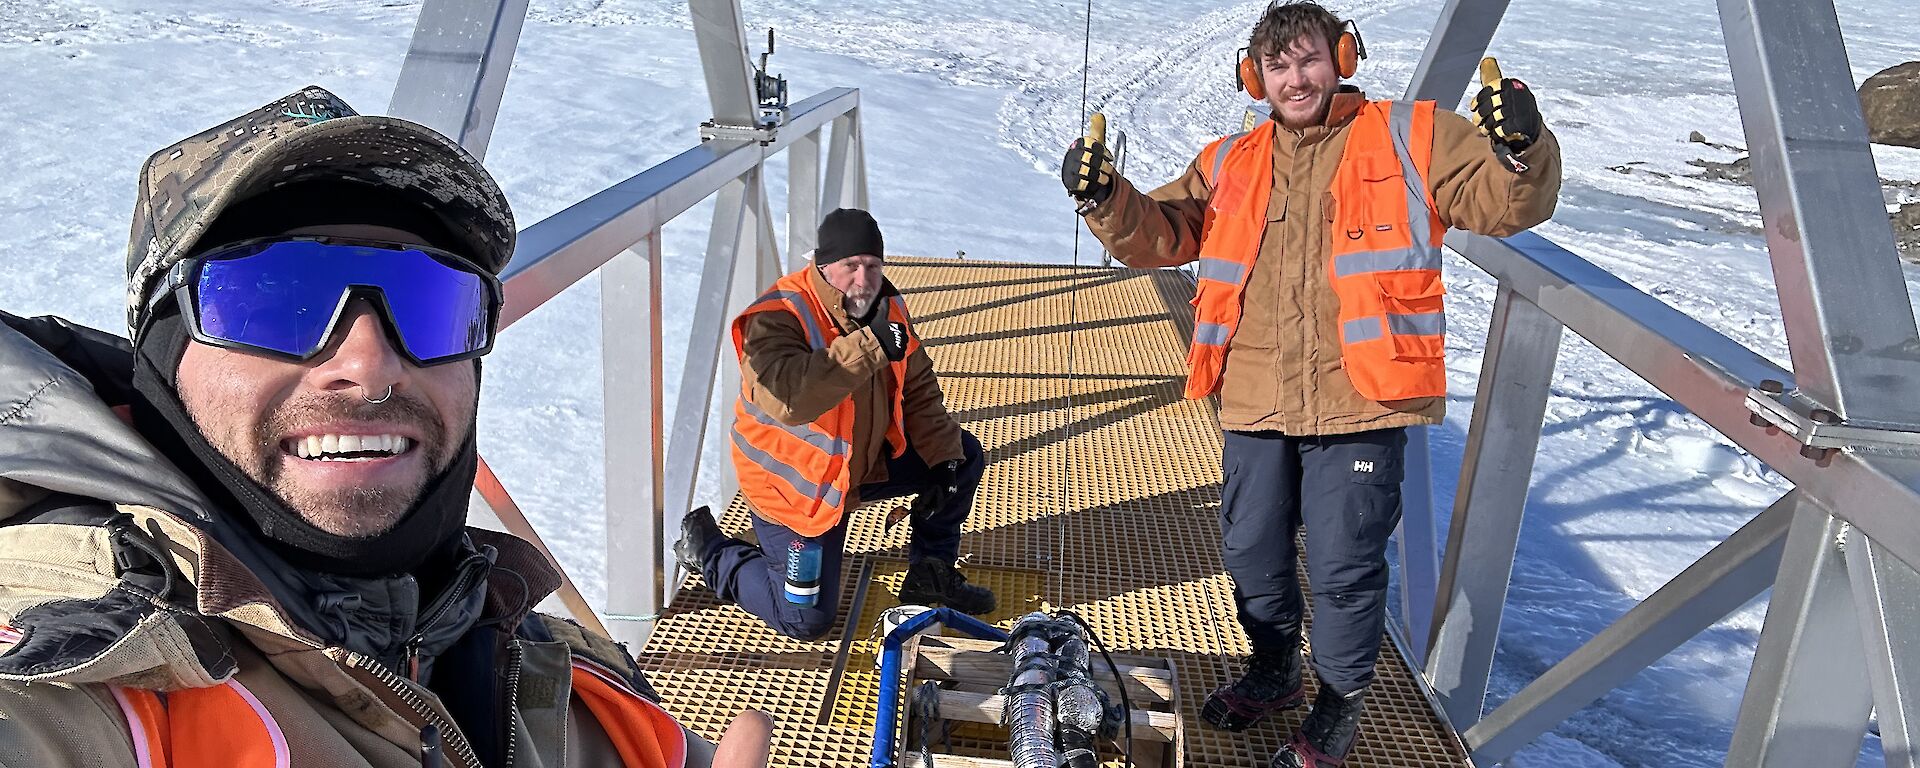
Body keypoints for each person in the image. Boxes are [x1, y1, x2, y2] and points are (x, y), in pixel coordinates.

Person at [0, 85, 771, 768]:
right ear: (163, 353)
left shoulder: (566, 672)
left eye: (429, 300)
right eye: (274, 297)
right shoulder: (74, 674)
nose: (369, 365)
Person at [1061, 3, 1561, 765]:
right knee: (1251, 549)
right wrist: (1106, 199)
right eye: (1278, 67)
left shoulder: (1412, 135)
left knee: (1343, 564)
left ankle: (1338, 701)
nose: (1295, 80)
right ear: (1253, 76)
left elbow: (1500, 201)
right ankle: (1273, 671)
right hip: (1257, 394)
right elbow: (1165, 231)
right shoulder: (1231, 158)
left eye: (1309, 61)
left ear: (1343, 60)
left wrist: (1521, 148)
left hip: (1361, 397)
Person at [675, 208, 997, 641]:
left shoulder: (888, 308)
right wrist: (870, 345)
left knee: (962, 455)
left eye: (873, 266)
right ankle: (712, 551)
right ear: (823, 266)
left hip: (858, 469)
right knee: (804, 620)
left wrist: (943, 461)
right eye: (850, 266)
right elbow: (790, 400)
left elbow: (917, 388)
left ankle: (929, 574)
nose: (863, 280)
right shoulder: (776, 316)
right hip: (797, 494)